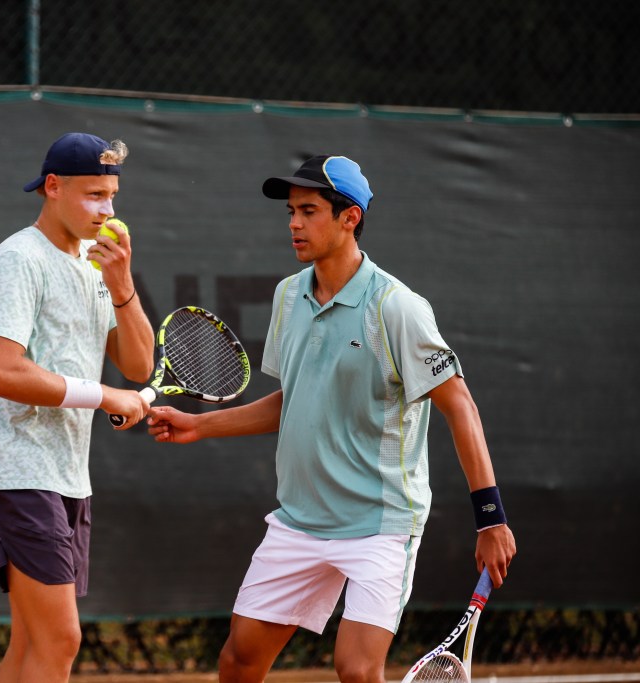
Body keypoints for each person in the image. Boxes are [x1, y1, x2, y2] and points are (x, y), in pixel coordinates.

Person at [146, 155, 517, 683]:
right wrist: (200, 424)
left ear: (350, 218)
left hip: (379, 527)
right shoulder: (286, 296)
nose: (295, 223)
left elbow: (461, 406)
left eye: (310, 211)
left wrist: (491, 517)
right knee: (238, 661)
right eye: (292, 211)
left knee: (357, 671)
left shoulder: (397, 307)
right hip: (299, 521)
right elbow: (294, 400)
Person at [0, 132, 154, 681]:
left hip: (69, 477)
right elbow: (1, 373)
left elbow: (139, 368)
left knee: (30, 643)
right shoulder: (18, 258)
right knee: (61, 638)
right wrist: (103, 396)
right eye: (94, 195)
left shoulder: (96, 267)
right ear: (53, 188)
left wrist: (121, 283)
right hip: (18, 469)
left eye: (112, 197)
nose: (107, 210)